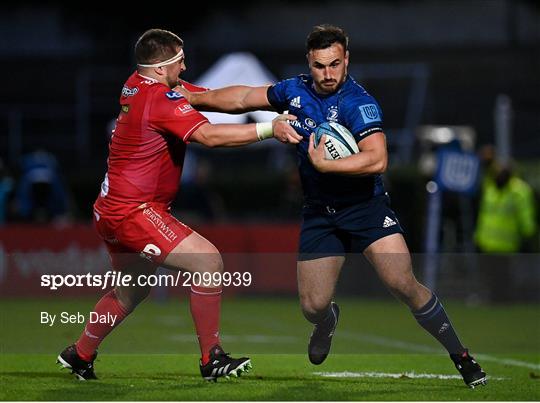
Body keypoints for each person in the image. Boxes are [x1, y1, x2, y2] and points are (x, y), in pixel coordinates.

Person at [178, 24, 487, 388]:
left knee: (402, 282)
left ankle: (461, 356)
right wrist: (195, 98)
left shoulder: (360, 103)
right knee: (313, 306)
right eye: (320, 66)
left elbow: (377, 160)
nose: (328, 74)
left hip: (366, 209)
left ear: (346, 61)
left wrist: (327, 165)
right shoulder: (294, 90)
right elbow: (244, 97)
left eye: (335, 64)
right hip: (320, 213)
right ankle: (327, 321)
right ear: (309, 63)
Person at [57, 28, 300, 382]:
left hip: (110, 209)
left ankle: (79, 354)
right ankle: (211, 359)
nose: (185, 66)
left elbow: (224, 97)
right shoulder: (160, 99)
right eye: (179, 60)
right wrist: (268, 130)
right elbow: (210, 136)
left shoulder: (136, 84)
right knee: (207, 261)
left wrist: (281, 97)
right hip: (134, 211)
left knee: (131, 291)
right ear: (159, 68)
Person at [474, 151, 537, 301]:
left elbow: (526, 217)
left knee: (504, 279)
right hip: (486, 242)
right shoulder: (490, 186)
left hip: (507, 245)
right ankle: (491, 299)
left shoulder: (519, 190)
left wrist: (529, 236)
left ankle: (505, 300)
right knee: (490, 277)